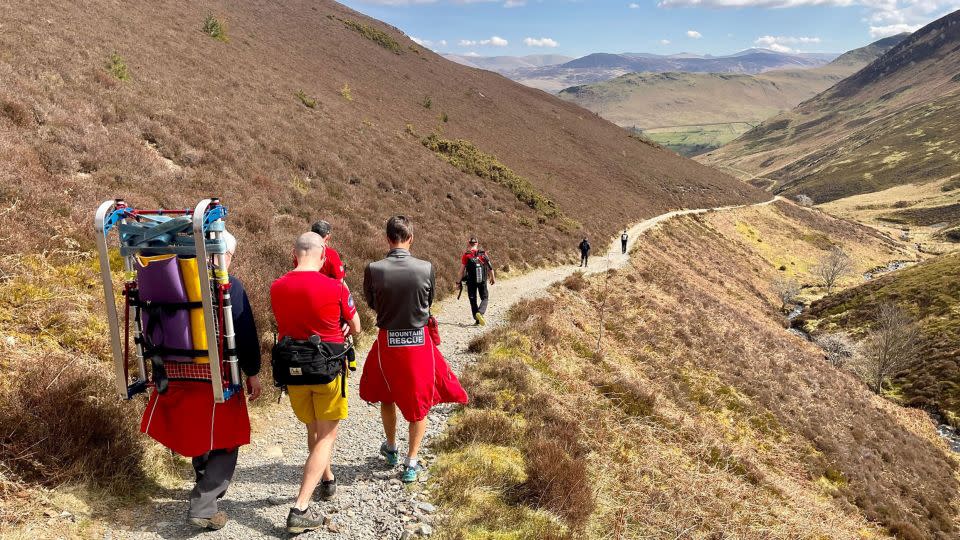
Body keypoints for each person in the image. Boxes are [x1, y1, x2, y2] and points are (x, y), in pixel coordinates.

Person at [140, 231, 262, 531]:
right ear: (225, 254)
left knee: (197, 426)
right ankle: (205, 504)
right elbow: (244, 334)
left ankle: (203, 475)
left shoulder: (172, 287)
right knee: (229, 436)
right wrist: (253, 371)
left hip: (171, 372)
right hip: (216, 376)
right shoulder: (229, 285)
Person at [359, 216, 468, 483]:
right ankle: (411, 462)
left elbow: (371, 302)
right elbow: (428, 301)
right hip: (419, 342)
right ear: (411, 238)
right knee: (420, 402)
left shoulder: (374, 268)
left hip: (388, 341)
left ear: (387, 238)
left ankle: (392, 447)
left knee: (387, 393)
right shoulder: (426, 267)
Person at [271, 232, 362, 534]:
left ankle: (327, 479)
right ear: (324, 254)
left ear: (294, 253)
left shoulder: (277, 287)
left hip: (293, 373)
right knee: (327, 436)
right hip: (326, 371)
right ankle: (300, 507)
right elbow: (357, 327)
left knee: (313, 429)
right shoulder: (334, 287)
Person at [458, 237, 495, 326]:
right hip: (482, 280)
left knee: (473, 299)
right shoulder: (483, 254)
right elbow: (490, 267)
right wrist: (492, 277)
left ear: (469, 243)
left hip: (471, 281)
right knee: (484, 298)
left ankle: (477, 318)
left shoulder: (466, 255)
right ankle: (480, 313)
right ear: (477, 243)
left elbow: (461, 271)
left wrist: (458, 282)